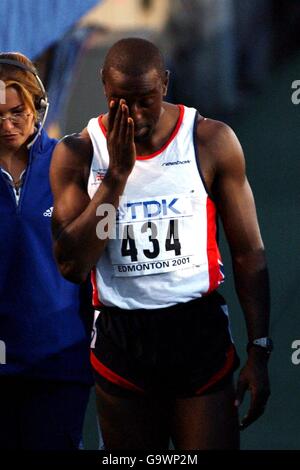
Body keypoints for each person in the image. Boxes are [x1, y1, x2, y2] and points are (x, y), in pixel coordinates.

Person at [50, 38, 271, 450]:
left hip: (196, 330)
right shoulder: (78, 154)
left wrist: (259, 347)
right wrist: (114, 179)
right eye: (119, 101)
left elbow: (249, 252)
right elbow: (73, 266)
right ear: (103, 85)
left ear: (165, 84)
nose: (132, 114)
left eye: (144, 100)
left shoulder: (211, 141)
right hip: (121, 337)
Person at [0, 52, 94, 450]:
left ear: (38, 107)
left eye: (16, 112)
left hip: (61, 363)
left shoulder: (72, 163)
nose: (6, 125)